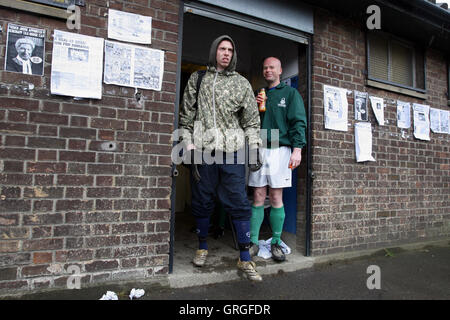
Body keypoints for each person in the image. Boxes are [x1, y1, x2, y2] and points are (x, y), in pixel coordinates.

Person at [179, 35, 263, 281]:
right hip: (204, 150)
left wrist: (255, 147)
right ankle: (202, 246)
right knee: (202, 199)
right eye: (222, 49)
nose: (226, 53)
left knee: (238, 201)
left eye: (230, 49)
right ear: (214, 50)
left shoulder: (241, 83)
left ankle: (245, 259)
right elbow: (185, 116)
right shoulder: (199, 79)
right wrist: (188, 143)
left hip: (233, 151)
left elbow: (251, 121)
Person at [249, 57, 307, 262]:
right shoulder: (259, 94)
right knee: (257, 194)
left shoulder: (290, 93)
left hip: (280, 148)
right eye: (265, 68)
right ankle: (253, 242)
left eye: (271, 67)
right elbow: (250, 124)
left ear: (280, 70)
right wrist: (254, 109)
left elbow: (298, 122)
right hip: (260, 147)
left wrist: (297, 149)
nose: (267, 70)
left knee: (275, 196)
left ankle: (275, 242)